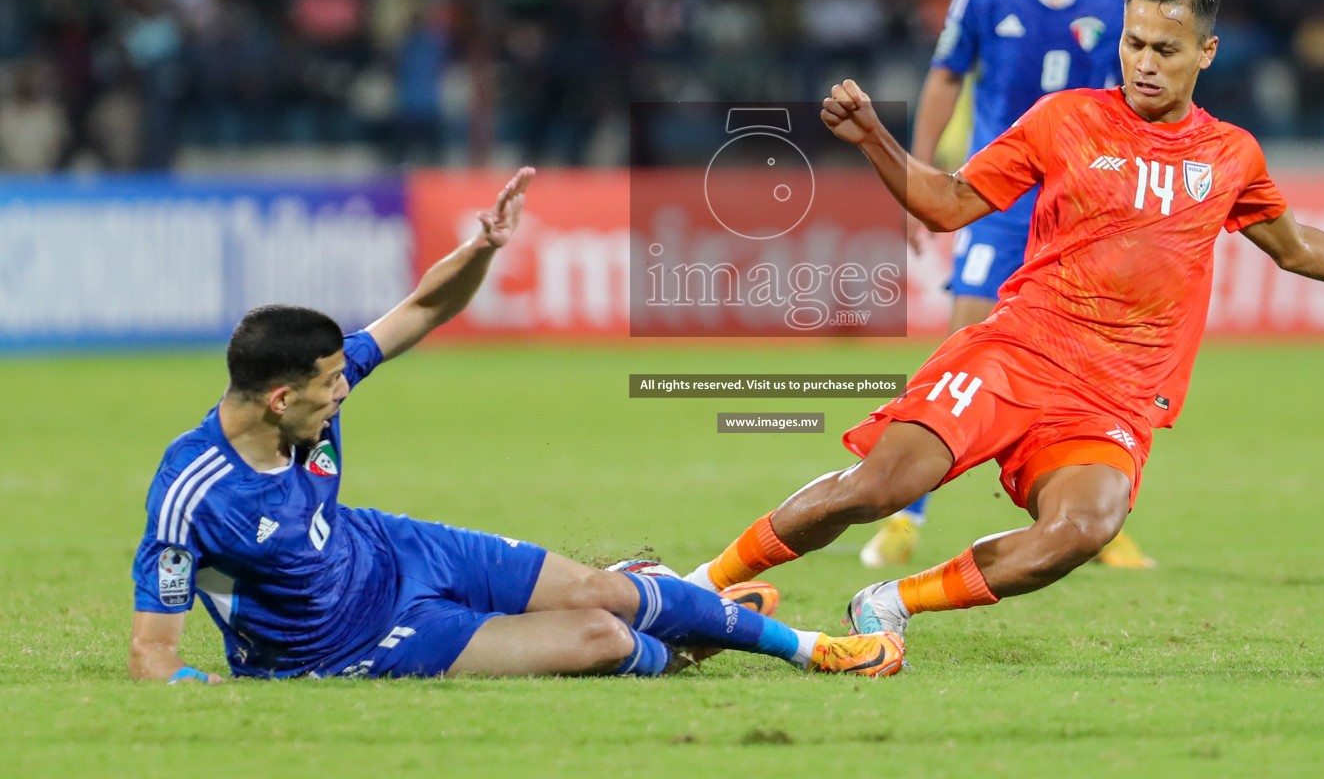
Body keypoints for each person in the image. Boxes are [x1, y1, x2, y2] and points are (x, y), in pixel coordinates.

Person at [683, 0, 1324, 644]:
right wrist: (876, 143)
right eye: (1133, 42)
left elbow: (1297, 246)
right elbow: (952, 203)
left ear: (1205, 52)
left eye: (1164, 49)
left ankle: (890, 602)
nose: (1143, 61)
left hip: (1114, 395)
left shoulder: (1232, 155)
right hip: (1016, 353)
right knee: (879, 487)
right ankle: (698, 586)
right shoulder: (1066, 119)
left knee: (1080, 531)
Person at [129, 169, 903, 683]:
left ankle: (810, 650)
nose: (344, 392)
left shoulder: (315, 389)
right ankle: (685, 638)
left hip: (396, 550)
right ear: (277, 399)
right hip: (348, 648)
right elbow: (152, 656)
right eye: (330, 386)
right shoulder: (194, 493)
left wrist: (481, 249)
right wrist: (214, 694)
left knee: (604, 590)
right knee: (601, 635)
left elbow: (425, 309)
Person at [863, 0, 1155, 570]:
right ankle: (906, 512)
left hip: (1087, 206)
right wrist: (919, 172)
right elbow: (944, 78)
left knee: (1095, 363)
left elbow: (1147, 94)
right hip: (998, 197)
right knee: (964, 350)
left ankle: (1093, 519)